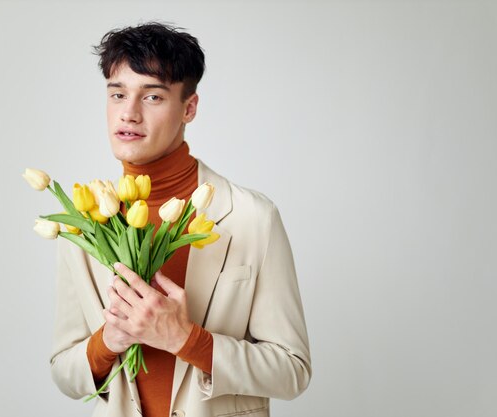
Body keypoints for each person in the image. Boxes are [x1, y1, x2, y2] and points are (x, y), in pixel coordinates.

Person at [50, 22, 311, 417]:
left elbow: (293, 371)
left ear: (189, 107)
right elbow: (64, 371)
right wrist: (109, 340)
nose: (129, 113)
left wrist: (186, 339)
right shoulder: (84, 224)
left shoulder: (252, 217)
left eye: (152, 96)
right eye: (117, 94)